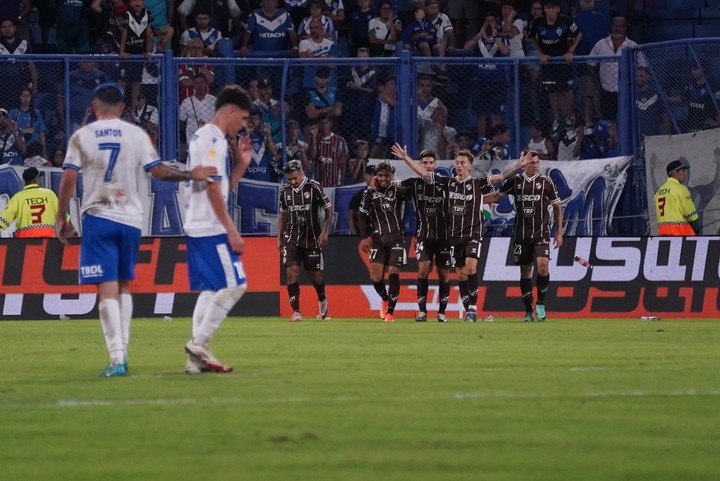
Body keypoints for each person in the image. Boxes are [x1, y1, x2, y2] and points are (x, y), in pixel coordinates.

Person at [55, 83, 217, 377]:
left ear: (94, 106)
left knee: (106, 288)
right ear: (121, 108)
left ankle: (118, 357)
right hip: (131, 219)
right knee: (125, 284)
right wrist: (191, 173)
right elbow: (159, 171)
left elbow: (68, 178)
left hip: (99, 215)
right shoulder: (136, 134)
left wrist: (61, 217)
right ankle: (123, 350)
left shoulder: (82, 136)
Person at [394, 144, 529, 322]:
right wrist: (405, 158)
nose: (459, 165)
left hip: (473, 234)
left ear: (470, 165)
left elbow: (501, 176)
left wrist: (519, 166)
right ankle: (469, 312)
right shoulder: (447, 183)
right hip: (453, 237)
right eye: (457, 162)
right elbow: (425, 174)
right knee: (461, 274)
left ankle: (472, 308)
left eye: (462, 162)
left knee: (470, 267)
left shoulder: (478, 184)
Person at [182, 85, 255, 375]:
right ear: (231, 112)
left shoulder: (206, 138)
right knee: (236, 285)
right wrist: (232, 230)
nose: (245, 124)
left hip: (199, 223)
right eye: (244, 118)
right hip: (210, 225)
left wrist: (241, 165)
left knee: (211, 288)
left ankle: (195, 360)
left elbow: (221, 187)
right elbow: (213, 190)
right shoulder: (212, 138)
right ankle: (200, 343)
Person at [484, 150, 563, 322]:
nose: (535, 166)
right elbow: (497, 197)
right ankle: (528, 310)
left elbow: (557, 208)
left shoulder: (546, 182)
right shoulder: (515, 181)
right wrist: (476, 198)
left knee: (543, 267)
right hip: (521, 234)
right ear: (524, 164)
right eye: (531, 162)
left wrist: (559, 233)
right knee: (526, 271)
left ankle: (540, 303)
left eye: (537, 162)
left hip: (541, 233)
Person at [400, 149, 452, 323]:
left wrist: (406, 157)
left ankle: (442, 313)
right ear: (420, 164)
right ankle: (422, 311)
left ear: (435, 165)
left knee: (444, 273)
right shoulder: (413, 184)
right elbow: (394, 186)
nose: (428, 166)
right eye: (425, 163)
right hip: (423, 235)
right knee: (423, 270)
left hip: (444, 237)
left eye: (431, 163)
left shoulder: (445, 182)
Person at [278, 160, 333, 322]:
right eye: (289, 179)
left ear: (301, 173)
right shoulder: (285, 191)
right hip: (291, 237)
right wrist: (279, 237)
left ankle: (322, 299)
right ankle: (296, 312)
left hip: (311, 238)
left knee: (314, 275)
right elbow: (283, 215)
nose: (292, 182)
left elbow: (328, 209)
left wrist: (325, 231)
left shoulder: (313, 187)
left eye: (294, 178)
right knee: (291, 271)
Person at [357, 161, 407, 323]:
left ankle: (390, 313)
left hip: (396, 236)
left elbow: (412, 194)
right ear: (376, 176)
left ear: (392, 175)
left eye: (387, 175)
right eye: (380, 175)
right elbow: (361, 216)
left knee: (393, 271)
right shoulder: (368, 193)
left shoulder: (398, 190)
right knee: (376, 277)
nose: (384, 178)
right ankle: (384, 299)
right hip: (378, 238)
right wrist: (364, 237)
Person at [528, 0, 582, 135]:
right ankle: (557, 120)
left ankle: (570, 117)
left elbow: (578, 35)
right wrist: (541, 53)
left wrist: (570, 51)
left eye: (553, 8)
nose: (550, 11)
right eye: (548, 8)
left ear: (557, 9)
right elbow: (531, 37)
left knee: (567, 89)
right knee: (552, 91)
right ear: (545, 9)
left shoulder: (565, 20)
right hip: (548, 63)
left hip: (563, 61)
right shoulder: (538, 22)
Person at [0, 167, 73, 237]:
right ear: (36, 180)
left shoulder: (18, 197)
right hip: (48, 240)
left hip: (25, 242)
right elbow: (63, 216)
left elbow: (3, 220)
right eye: (39, 177)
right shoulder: (49, 194)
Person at [653, 158, 700, 236]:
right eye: (682, 171)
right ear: (675, 172)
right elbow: (690, 213)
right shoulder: (680, 188)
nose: (685, 173)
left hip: (664, 235)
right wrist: (696, 228)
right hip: (681, 234)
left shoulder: (659, 191)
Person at [348, 163, 375, 234]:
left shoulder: (384, 195)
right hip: (363, 233)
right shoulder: (358, 195)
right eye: (370, 175)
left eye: (374, 175)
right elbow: (351, 217)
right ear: (365, 176)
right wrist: (355, 236)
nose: (372, 177)